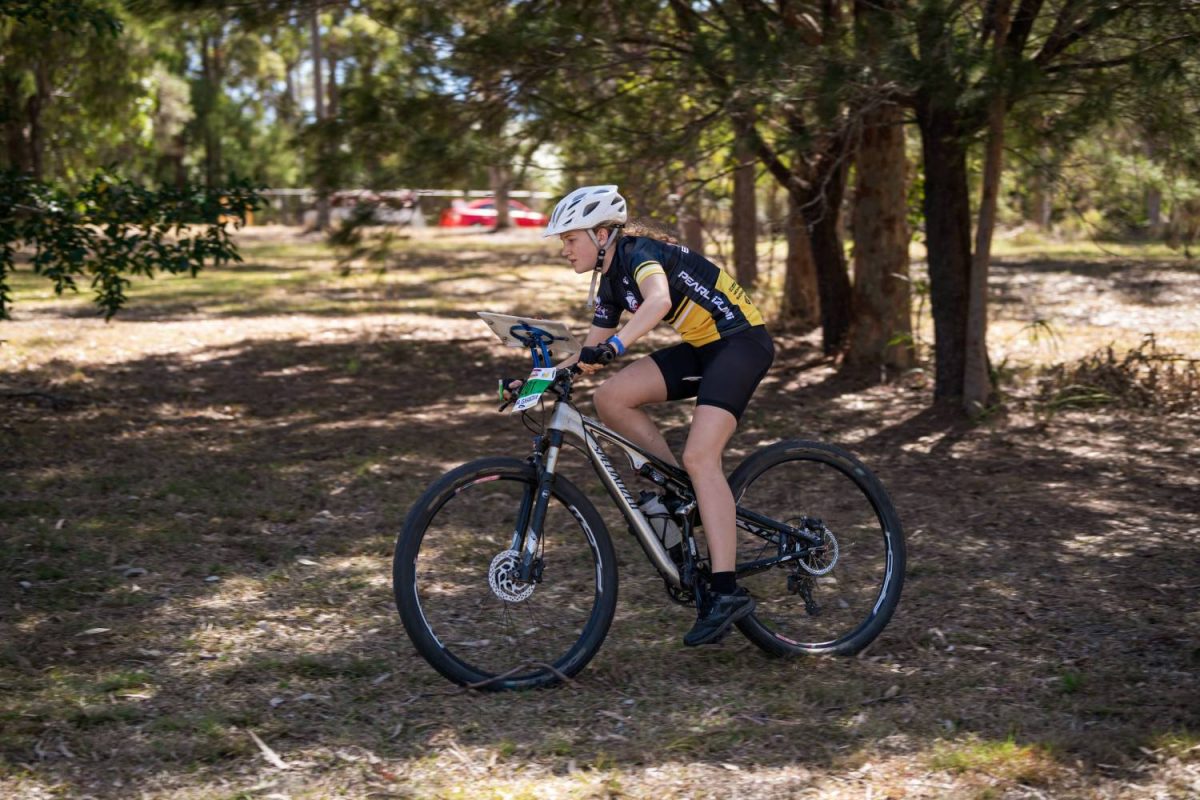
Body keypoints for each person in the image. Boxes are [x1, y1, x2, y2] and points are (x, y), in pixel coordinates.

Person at [531, 184, 775, 646]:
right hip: (706, 349)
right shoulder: (609, 281)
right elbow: (586, 353)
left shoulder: (640, 251)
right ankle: (675, 487)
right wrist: (536, 377)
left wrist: (617, 345)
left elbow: (659, 301)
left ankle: (725, 591)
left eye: (570, 239)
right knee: (611, 397)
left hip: (742, 343)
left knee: (702, 456)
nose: (565, 250)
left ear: (603, 233)